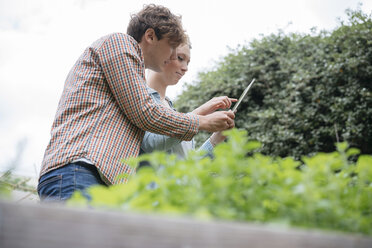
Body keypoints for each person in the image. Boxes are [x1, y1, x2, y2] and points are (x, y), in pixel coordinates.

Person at [37, 4, 235, 202]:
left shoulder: (135, 75)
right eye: (172, 47)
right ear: (150, 36)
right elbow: (145, 113)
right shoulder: (119, 44)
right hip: (78, 170)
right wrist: (202, 122)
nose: (172, 56)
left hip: (90, 176)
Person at [139, 39, 236, 164]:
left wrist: (216, 139)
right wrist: (201, 114)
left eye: (188, 62)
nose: (185, 68)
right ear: (161, 52)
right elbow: (152, 144)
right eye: (180, 58)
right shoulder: (140, 99)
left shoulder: (170, 108)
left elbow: (188, 169)